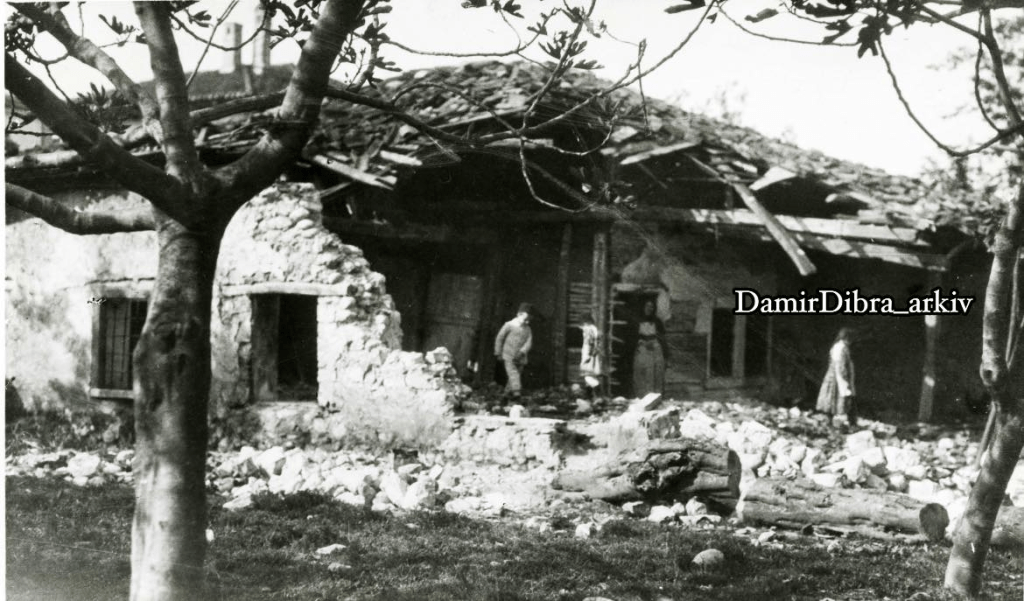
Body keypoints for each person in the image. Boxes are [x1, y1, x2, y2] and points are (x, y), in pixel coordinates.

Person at [816, 327, 856, 427]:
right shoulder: (841, 348)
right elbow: (840, 365)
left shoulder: (839, 347)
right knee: (839, 396)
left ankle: (831, 420)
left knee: (832, 397)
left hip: (834, 375)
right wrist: (845, 379)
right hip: (838, 376)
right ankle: (842, 422)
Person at [494, 303, 533, 401]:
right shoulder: (509, 325)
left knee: (516, 375)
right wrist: (498, 352)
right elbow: (500, 338)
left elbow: (529, 342)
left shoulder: (528, 329)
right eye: (525, 318)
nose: (527, 321)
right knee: (513, 373)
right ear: (519, 314)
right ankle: (517, 392)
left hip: (521, 357)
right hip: (509, 355)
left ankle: (506, 395)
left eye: (529, 319)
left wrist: (522, 351)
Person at [632, 300, 666, 397]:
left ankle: (654, 396)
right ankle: (641, 396)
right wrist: (642, 342)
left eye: (651, 306)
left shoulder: (657, 321)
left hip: (655, 348)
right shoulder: (637, 319)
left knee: (655, 372)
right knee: (642, 372)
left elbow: (662, 335)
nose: (649, 308)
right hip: (642, 348)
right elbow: (633, 336)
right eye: (647, 306)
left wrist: (654, 343)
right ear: (643, 307)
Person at [579, 315, 603, 398]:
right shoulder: (594, 329)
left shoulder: (589, 330)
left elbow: (590, 343)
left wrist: (587, 357)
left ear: (585, 323)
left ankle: (599, 395)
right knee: (589, 377)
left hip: (589, 356)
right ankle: (588, 396)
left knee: (588, 377)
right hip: (593, 355)